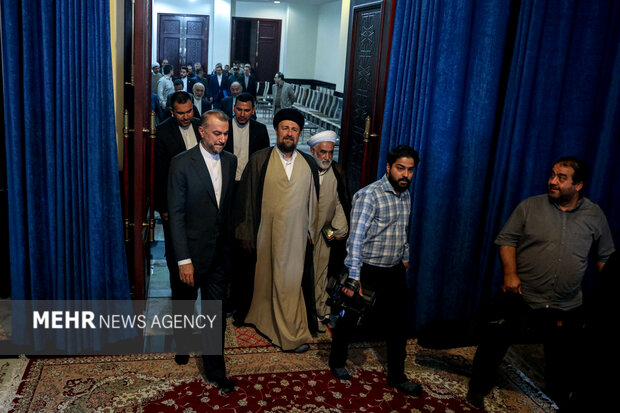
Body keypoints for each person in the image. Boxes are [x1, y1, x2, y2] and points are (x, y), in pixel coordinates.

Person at [466, 156, 615, 409]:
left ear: (578, 185)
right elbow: (506, 240)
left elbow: (604, 256)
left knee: (564, 361)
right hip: (523, 297)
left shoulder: (595, 214)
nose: (552, 181)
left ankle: (558, 398)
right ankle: (477, 389)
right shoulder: (530, 206)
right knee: (493, 342)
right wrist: (510, 274)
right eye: (553, 175)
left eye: (561, 177)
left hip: (566, 305)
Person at [328, 145, 422, 398]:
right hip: (366, 271)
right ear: (389, 167)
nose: (405, 175)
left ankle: (397, 376)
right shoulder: (369, 196)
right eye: (400, 168)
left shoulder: (406, 195)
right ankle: (337, 361)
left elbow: (403, 231)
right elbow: (355, 240)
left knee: (399, 324)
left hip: (393, 270)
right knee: (349, 320)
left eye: (410, 170)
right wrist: (354, 277)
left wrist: (405, 257)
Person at [234, 108, 320, 353]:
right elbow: (247, 201)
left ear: (300, 133)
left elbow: (314, 202)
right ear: (276, 130)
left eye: (294, 129)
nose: (289, 133)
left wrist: (313, 234)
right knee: (265, 280)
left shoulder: (308, 163)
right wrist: (247, 233)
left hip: (296, 240)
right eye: (285, 128)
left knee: (289, 283)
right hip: (265, 237)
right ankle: (264, 319)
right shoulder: (260, 160)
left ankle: (288, 333)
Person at [167, 109, 237, 393]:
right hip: (190, 255)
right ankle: (182, 345)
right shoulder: (181, 164)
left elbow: (227, 209)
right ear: (202, 132)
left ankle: (216, 371)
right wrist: (184, 260)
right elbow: (177, 213)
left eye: (226, 134)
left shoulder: (231, 162)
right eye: (217, 133)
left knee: (215, 313)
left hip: (219, 254)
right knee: (184, 305)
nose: (222, 139)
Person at [154, 91, 201, 363]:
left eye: (189, 112)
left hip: (200, 211)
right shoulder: (162, 133)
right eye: (180, 113)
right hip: (175, 208)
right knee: (177, 267)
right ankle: (181, 333)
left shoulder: (201, 126)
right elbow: (160, 174)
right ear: (171, 112)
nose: (186, 117)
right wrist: (164, 208)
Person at [306, 131, 349, 329]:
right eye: (323, 152)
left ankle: (320, 311)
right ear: (313, 151)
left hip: (324, 234)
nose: (327, 157)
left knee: (321, 275)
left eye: (330, 153)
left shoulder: (336, 173)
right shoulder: (304, 170)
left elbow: (340, 203)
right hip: (301, 236)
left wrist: (333, 232)